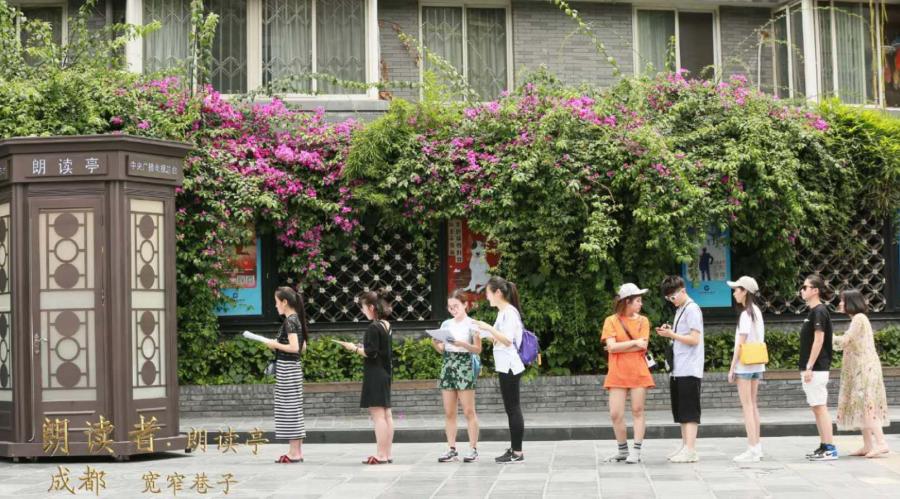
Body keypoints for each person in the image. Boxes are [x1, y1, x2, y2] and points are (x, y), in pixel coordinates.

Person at [338, 290, 395, 464]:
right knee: (387, 414)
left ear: (371, 307)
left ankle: (381, 455)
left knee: (378, 416)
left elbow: (371, 353)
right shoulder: (386, 325)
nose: (362, 311)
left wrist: (353, 348)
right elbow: (379, 350)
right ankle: (387, 454)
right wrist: (362, 347)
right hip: (385, 372)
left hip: (375, 374)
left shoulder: (373, 327)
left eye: (363, 308)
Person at [473, 276, 526, 464]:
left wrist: (488, 327)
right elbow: (498, 338)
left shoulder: (509, 312)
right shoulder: (502, 312)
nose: (486, 297)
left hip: (510, 365)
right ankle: (514, 448)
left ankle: (517, 452)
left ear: (497, 293)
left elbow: (508, 340)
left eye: (488, 293)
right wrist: (482, 332)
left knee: (513, 408)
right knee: (511, 408)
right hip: (505, 365)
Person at [601, 283, 655, 464]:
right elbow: (611, 347)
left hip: (638, 371)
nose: (641, 304)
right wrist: (633, 343)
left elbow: (643, 345)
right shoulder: (611, 321)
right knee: (615, 413)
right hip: (617, 372)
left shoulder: (643, 321)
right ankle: (622, 450)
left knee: (638, 410)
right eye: (638, 300)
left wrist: (621, 346)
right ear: (627, 301)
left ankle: (636, 451)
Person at [833, 289, 890, 458]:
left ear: (851, 302)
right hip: (861, 369)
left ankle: (881, 443)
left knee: (866, 405)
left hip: (865, 369)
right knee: (862, 405)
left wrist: (827, 336)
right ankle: (867, 445)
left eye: (843, 300)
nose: (840, 303)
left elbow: (846, 340)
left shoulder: (859, 318)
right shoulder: (858, 319)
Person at [656, 275, 704, 463]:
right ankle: (685, 446)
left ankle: (690, 449)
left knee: (689, 411)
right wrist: (671, 331)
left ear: (682, 291)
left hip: (689, 368)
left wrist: (672, 334)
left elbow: (694, 339)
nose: (671, 300)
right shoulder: (681, 309)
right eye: (668, 298)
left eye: (672, 297)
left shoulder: (692, 309)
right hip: (679, 368)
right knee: (681, 411)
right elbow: (682, 335)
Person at [432, 289, 482, 463]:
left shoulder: (472, 324)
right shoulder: (446, 324)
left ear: (465, 305)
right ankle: (451, 449)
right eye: (450, 307)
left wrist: (463, 344)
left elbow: (478, 349)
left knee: (469, 410)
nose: (453, 310)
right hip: (448, 364)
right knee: (449, 412)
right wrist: (436, 343)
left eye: (456, 306)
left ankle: (473, 449)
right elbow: (441, 349)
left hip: (464, 365)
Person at [265, 286, 309, 464]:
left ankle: (294, 453)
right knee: (294, 408)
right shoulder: (297, 319)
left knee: (289, 409)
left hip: (287, 369)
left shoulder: (289, 321)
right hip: (294, 368)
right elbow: (303, 348)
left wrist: (274, 344)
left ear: (284, 302)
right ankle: (296, 451)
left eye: (276, 302)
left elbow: (294, 348)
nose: (275, 306)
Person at [798, 274, 837, 461]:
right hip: (813, 368)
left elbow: (819, 340)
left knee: (820, 407)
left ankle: (830, 448)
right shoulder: (813, 312)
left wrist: (809, 366)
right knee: (816, 407)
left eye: (805, 287)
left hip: (817, 368)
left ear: (815, 290)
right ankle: (823, 446)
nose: (802, 290)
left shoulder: (819, 311)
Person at [726, 276, 765, 463]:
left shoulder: (745, 314)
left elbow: (740, 344)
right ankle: (757, 447)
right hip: (757, 363)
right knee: (753, 405)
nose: (734, 293)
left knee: (747, 406)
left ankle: (752, 448)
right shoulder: (756, 311)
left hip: (745, 364)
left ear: (745, 292)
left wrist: (732, 367)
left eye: (736, 289)